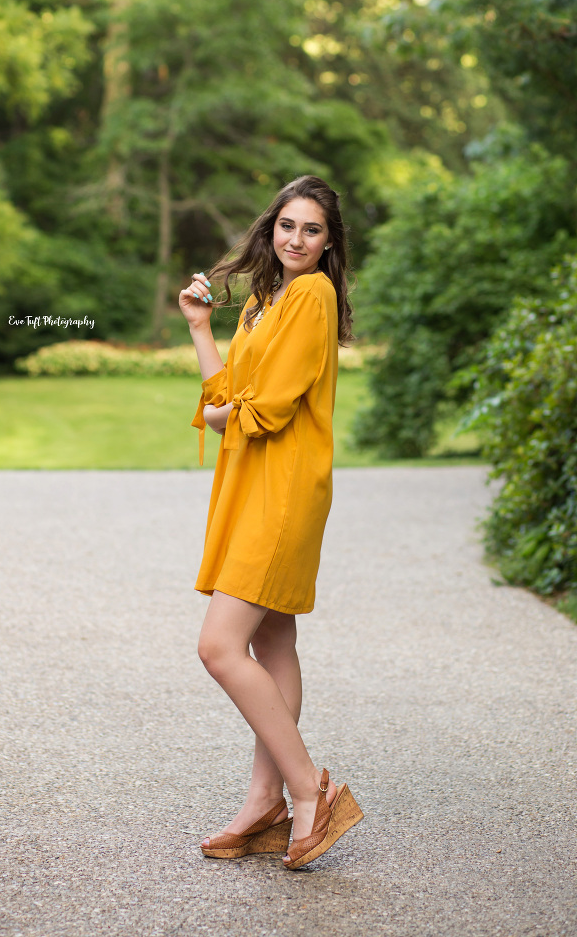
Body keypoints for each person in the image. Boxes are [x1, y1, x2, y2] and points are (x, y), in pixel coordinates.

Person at [178, 174, 363, 871]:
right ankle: (264, 807)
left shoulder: (311, 295)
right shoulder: (263, 298)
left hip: (282, 489)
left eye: (312, 230)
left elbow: (266, 409)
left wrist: (226, 415)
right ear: (271, 228)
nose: (297, 239)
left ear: (328, 242)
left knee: (220, 647)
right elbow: (226, 392)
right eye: (288, 225)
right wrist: (200, 328)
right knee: (275, 646)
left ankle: (308, 788)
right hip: (253, 480)